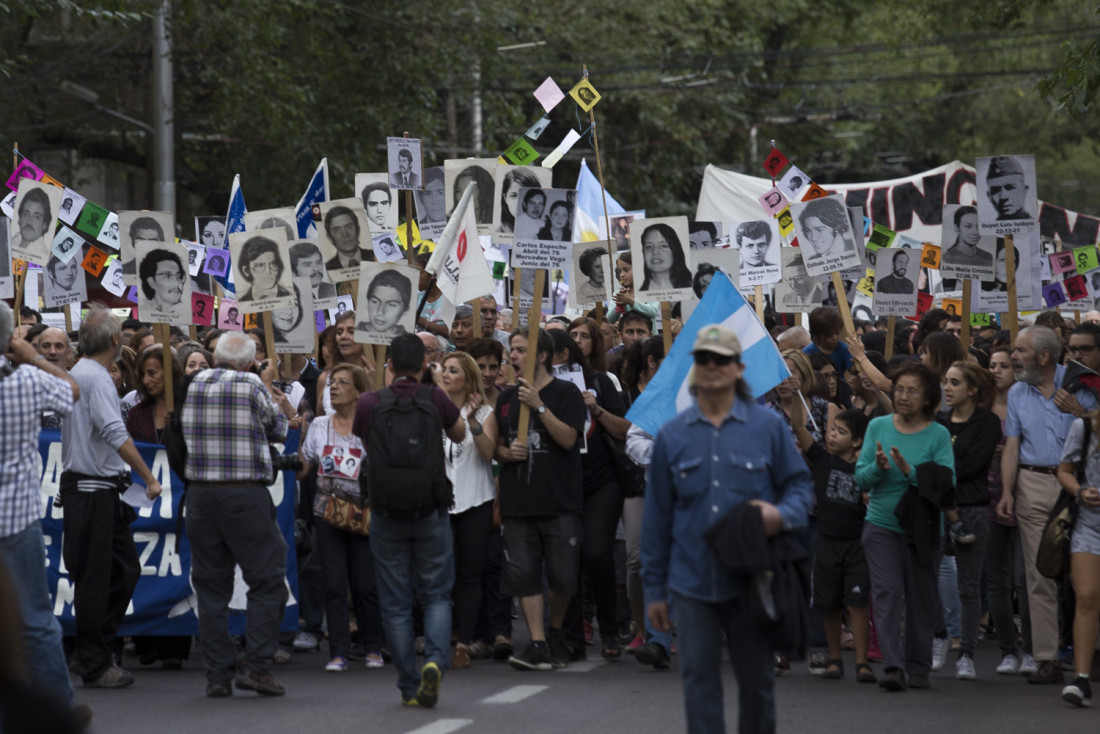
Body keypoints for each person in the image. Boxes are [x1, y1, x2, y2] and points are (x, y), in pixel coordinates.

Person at [642, 324, 813, 733]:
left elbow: (800, 488)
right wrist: (655, 592)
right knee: (699, 684)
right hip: (691, 582)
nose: (712, 366)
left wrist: (780, 516)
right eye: (704, 359)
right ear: (694, 369)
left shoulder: (768, 427)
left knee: (757, 685)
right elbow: (657, 519)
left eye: (721, 360)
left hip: (752, 579)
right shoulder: (671, 435)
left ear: (739, 368)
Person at [351, 333, 465, 707]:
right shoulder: (436, 399)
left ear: (390, 366)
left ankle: (407, 684)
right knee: (436, 595)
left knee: (396, 602)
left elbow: (362, 438)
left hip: (385, 511)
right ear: (423, 365)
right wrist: (435, 386)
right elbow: (460, 432)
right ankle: (434, 660)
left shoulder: (370, 402)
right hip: (430, 509)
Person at [181, 331, 293, 697]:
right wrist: (264, 384)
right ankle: (258, 667)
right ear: (250, 363)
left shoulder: (195, 384)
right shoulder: (250, 383)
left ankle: (217, 674)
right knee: (266, 579)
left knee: (211, 588)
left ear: (214, 359)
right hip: (243, 494)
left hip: (200, 496)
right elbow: (278, 429)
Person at [61, 306, 163, 689]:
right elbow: (113, 431)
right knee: (95, 580)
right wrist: (149, 477)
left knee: (123, 571)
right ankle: (94, 662)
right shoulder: (96, 377)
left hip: (100, 493)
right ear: (116, 341)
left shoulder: (84, 374)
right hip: (90, 494)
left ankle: (97, 650)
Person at [0, 301, 89, 722]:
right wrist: (31, 356)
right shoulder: (26, 381)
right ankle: (59, 711)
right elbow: (71, 391)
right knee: (36, 618)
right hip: (16, 519)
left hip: (16, 518)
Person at [997, 326, 1097, 685]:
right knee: (1040, 574)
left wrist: (1079, 413)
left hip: (1082, 487)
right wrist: (1008, 491)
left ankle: (1090, 651)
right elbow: (1011, 446)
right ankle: (1046, 658)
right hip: (1033, 483)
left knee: (1085, 574)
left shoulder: (1084, 386)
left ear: (1044, 356)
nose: (1014, 357)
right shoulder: (1018, 393)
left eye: (1021, 351)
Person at [856, 362, 955, 692]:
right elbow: (860, 477)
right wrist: (880, 469)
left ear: (928, 397)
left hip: (924, 528)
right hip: (882, 523)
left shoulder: (939, 434)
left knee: (921, 597)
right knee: (887, 591)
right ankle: (893, 665)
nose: (903, 396)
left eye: (912, 391)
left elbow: (947, 483)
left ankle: (919, 666)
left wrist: (910, 472)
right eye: (899, 389)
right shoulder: (879, 426)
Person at [495, 328, 586, 671]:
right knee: (524, 575)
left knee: (563, 575)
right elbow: (496, 447)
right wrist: (506, 451)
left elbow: (567, 440)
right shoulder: (506, 399)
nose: (513, 356)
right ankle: (536, 642)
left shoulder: (566, 393)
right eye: (512, 350)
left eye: (521, 350)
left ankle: (556, 629)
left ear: (543, 356)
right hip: (519, 504)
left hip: (559, 502)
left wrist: (539, 406)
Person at [298, 363, 385, 672]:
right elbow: (305, 464)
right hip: (328, 515)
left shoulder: (373, 424)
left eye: (342, 383)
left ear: (359, 392)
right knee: (333, 583)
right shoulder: (320, 425)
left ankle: (373, 647)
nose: (333, 388)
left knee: (366, 584)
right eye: (332, 383)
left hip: (365, 515)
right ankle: (338, 652)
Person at [788, 402, 876, 683]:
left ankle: (862, 662)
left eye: (841, 432)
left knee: (857, 604)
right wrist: (793, 400)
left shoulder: (867, 469)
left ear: (858, 440)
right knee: (828, 604)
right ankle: (834, 658)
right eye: (832, 430)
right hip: (826, 543)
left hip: (857, 545)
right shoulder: (823, 460)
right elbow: (799, 427)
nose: (832, 436)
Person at [937, 361, 1002, 680]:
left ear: (973, 389)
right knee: (929, 577)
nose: (947, 388)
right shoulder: (939, 420)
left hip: (972, 508)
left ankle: (967, 654)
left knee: (968, 585)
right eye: (945, 382)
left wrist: (941, 471)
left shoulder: (988, 422)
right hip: (936, 507)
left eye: (954, 382)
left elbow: (972, 466)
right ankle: (938, 639)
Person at [439, 352, 498, 669]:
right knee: (441, 573)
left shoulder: (486, 412)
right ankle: (442, 635)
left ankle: (464, 641)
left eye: (453, 370)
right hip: (441, 504)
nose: (445, 374)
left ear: (467, 378)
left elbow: (488, 453)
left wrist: (473, 420)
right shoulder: (434, 411)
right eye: (444, 370)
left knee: (470, 573)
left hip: (476, 500)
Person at [1055, 409, 1100, 707]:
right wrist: (1081, 491)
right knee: (1086, 595)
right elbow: (1064, 470)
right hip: (1088, 523)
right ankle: (1082, 678)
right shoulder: (1084, 427)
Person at [356, 269, 412, 338]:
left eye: (391, 305)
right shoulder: (353, 334)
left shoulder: (408, 341)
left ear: (405, 310)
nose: (380, 312)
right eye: (375, 301)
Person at [638, 222, 692, 292]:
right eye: (649, 246)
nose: (655, 252)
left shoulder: (693, 287)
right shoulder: (637, 295)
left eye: (664, 246)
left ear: (675, 250)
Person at [236, 236, 291, 303]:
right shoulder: (242, 302)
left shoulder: (290, 297)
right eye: (260, 266)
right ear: (246, 271)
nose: (268, 271)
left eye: (273, 264)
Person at [610, 251, 659, 325]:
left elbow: (653, 311)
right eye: (619, 271)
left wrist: (631, 301)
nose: (622, 275)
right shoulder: (618, 293)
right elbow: (610, 319)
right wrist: (619, 304)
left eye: (626, 270)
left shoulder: (651, 289)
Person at [323, 205, 373, 271]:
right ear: (329, 237)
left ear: (358, 229)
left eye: (349, 227)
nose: (345, 234)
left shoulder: (376, 257)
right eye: (337, 230)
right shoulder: (327, 269)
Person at [985, 155, 1033, 222]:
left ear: (1024, 191)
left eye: (1010, 188)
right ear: (989, 196)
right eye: (995, 190)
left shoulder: (1039, 229)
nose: (1003, 196)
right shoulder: (987, 231)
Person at [139, 248, 187, 312]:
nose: (176, 283)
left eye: (179, 276)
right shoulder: (142, 310)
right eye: (168, 276)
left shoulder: (188, 312)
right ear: (151, 282)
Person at [498, 168, 542, 235]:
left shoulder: (544, 233)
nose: (519, 202)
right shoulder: (495, 235)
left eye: (525, 195)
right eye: (514, 195)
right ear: (505, 198)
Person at [14, 186, 52, 255]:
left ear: (44, 225)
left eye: (37, 217)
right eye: (26, 214)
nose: (29, 221)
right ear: (19, 219)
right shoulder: (8, 242)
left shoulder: (45, 256)